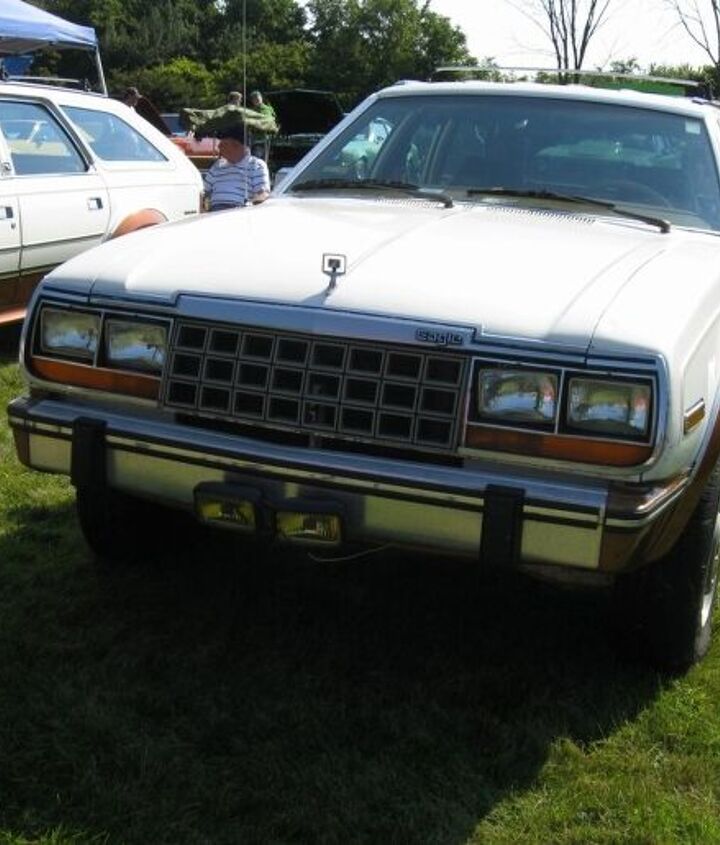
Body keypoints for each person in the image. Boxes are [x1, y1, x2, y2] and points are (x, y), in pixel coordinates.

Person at [202, 125, 270, 211]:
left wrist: (251, 205)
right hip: (214, 212)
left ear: (236, 145)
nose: (219, 147)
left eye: (224, 144)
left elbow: (263, 194)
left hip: (238, 212)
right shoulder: (217, 166)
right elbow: (203, 191)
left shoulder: (256, 164)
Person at [248, 90, 276, 161]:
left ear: (261, 98)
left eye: (258, 98)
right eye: (254, 99)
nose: (256, 100)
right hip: (255, 137)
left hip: (266, 136)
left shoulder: (269, 108)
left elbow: (274, 119)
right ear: (252, 101)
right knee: (256, 159)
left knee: (265, 159)